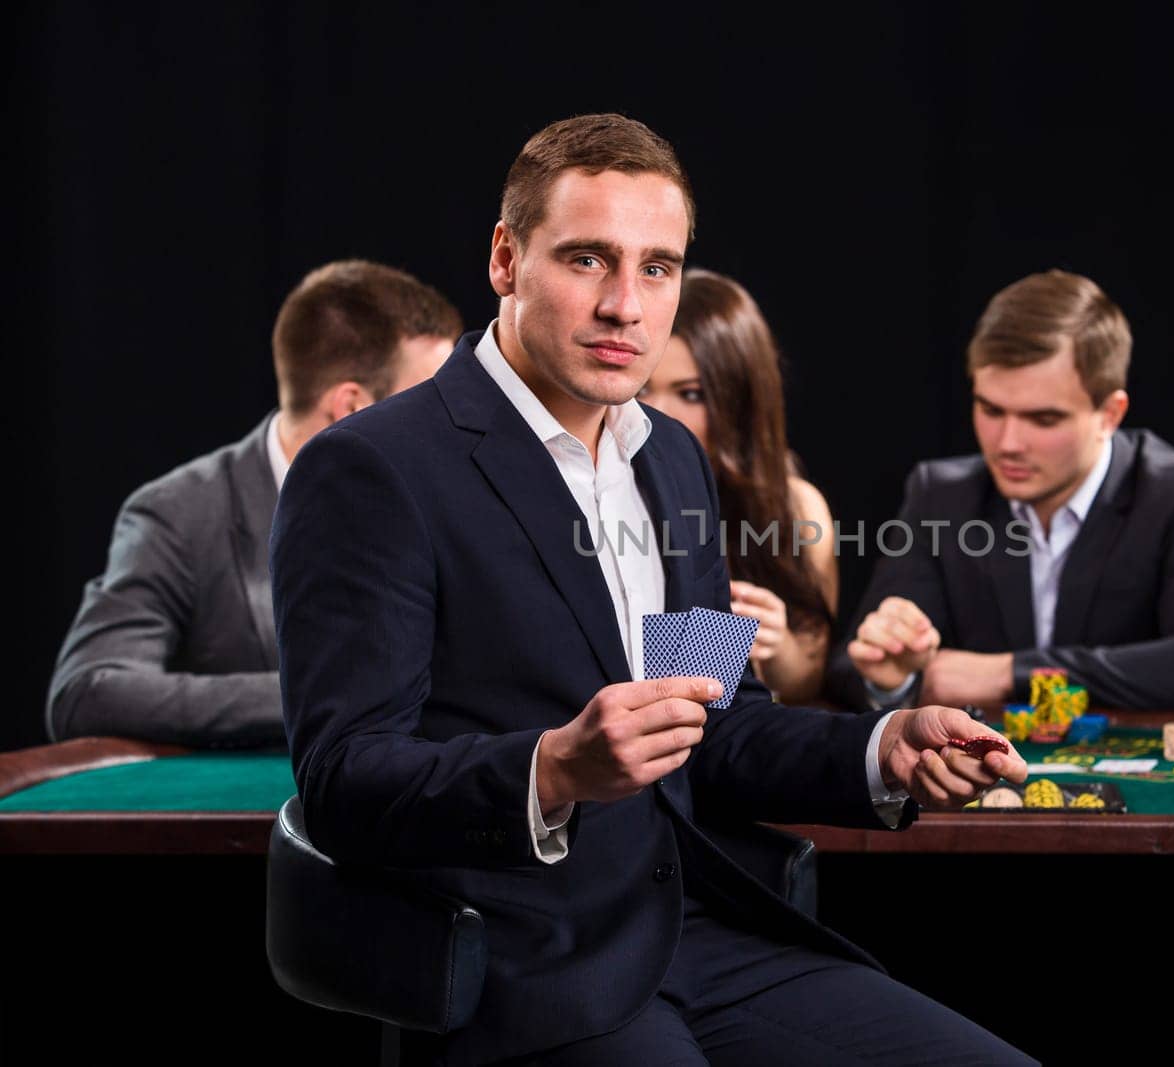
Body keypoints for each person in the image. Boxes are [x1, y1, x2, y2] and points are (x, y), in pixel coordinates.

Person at [270, 113, 1032, 1064]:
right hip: (525, 966)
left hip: (706, 935)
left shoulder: (668, 457)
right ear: (506, 259)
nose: (626, 305)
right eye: (588, 259)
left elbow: (720, 725)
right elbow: (343, 782)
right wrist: (551, 768)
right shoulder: (372, 469)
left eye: (658, 266)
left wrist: (887, 747)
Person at [47, 260, 461, 748]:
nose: (449, 421)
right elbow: (87, 692)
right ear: (351, 406)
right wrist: (321, 692)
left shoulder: (454, 498)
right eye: (428, 401)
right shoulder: (180, 513)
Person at [828, 268, 1174, 713]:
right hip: (982, 775)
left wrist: (1006, 673)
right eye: (990, 409)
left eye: (1042, 420)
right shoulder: (941, 495)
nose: (1007, 443)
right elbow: (849, 667)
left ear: (1110, 414)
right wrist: (890, 678)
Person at [638, 268, 837, 703]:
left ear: (739, 400)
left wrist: (777, 644)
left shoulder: (796, 508)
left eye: (691, 394)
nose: (657, 412)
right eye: (644, 388)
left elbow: (806, 684)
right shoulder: (600, 491)